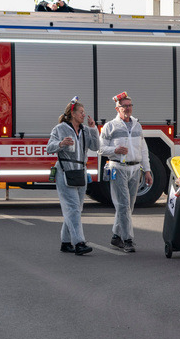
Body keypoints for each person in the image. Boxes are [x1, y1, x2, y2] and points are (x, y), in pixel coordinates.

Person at [99, 92, 152, 253]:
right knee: (123, 205)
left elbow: (143, 150)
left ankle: (116, 236)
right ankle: (127, 239)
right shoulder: (110, 126)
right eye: (124, 106)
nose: (128, 108)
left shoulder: (137, 125)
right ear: (118, 109)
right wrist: (114, 150)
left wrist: (147, 170)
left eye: (130, 105)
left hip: (135, 169)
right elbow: (100, 149)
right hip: (118, 168)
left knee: (129, 205)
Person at [47, 98, 98, 255]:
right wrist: (61, 143)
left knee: (76, 209)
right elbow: (49, 147)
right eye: (81, 112)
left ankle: (65, 242)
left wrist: (93, 129)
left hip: (80, 172)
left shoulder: (85, 130)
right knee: (73, 208)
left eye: (84, 112)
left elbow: (96, 147)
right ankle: (79, 243)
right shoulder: (60, 129)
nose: (84, 115)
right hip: (64, 171)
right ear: (73, 114)